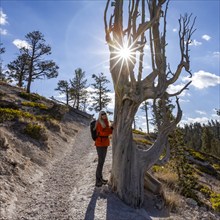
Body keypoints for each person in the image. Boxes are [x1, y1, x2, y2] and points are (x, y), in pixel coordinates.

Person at [94, 110, 113, 187]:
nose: (104, 115)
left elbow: (108, 131)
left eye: (105, 114)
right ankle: (97, 181)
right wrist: (111, 129)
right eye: (102, 114)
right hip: (100, 144)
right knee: (100, 162)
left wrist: (110, 128)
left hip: (104, 143)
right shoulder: (99, 122)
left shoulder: (106, 122)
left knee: (102, 161)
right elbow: (103, 133)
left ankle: (101, 179)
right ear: (100, 115)